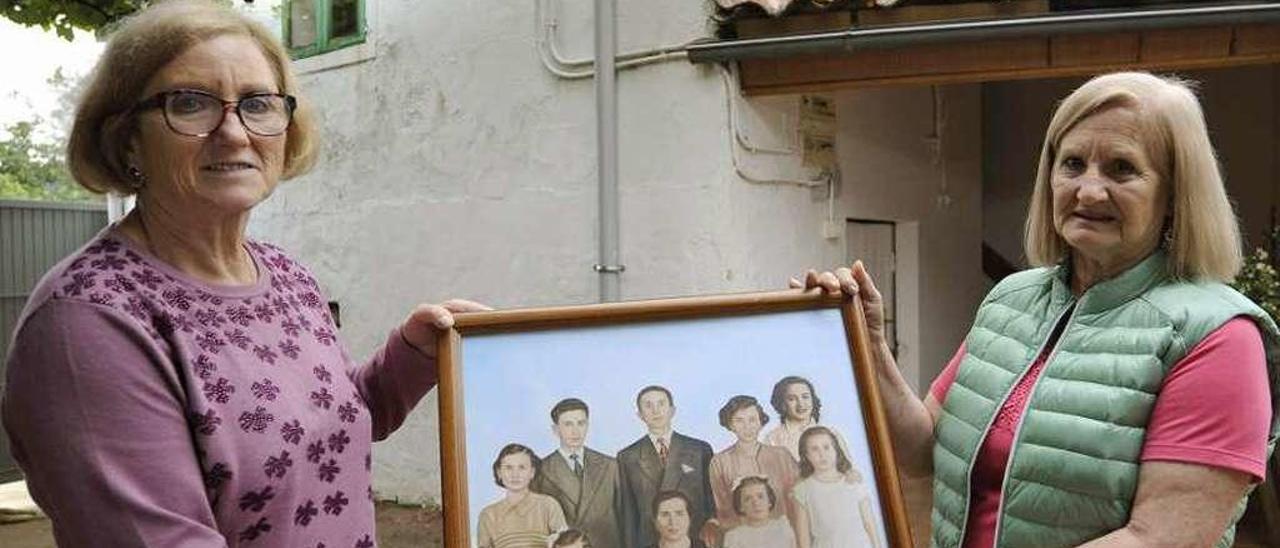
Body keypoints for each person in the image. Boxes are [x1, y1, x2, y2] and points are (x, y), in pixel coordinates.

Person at [0, 1, 487, 546]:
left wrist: (413, 355)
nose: (234, 133)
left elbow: (324, 429)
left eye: (257, 103)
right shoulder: (88, 323)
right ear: (126, 137)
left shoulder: (285, 274)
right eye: (189, 103)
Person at [799, 71, 1280, 547]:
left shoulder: (1218, 337)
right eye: (1072, 164)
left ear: (1175, 194)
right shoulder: (1012, 298)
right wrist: (871, 347)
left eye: (1122, 169)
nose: (1089, 190)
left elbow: (1163, 539)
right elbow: (924, 452)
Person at [617, 385, 714, 548]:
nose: (656, 411)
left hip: (693, 538)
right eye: (648, 405)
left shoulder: (699, 449)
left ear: (672, 410)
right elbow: (628, 511)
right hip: (648, 540)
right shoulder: (628, 456)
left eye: (661, 404)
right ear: (640, 415)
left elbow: (711, 497)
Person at [532, 398, 622, 548]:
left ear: (588, 425)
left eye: (581, 423)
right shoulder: (540, 470)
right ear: (555, 429)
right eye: (568, 424)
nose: (575, 431)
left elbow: (623, 516)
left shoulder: (610, 465)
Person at [708, 395, 798, 533]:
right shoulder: (719, 461)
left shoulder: (781, 455)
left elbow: (797, 498)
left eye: (752, 420)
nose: (747, 427)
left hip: (784, 536)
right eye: (739, 421)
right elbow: (722, 507)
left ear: (761, 422)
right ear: (730, 425)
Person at [790, 427, 881, 548]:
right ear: (806, 455)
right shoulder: (803, 489)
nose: (822, 454)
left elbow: (869, 523)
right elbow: (803, 537)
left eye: (826, 447)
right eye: (814, 449)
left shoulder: (853, 482)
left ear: (836, 450)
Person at [479, 443, 569, 548]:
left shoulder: (548, 505)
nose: (515, 474)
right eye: (508, 468)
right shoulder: (488, 515)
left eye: (522, 467)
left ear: (532, 472)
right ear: (499, 472)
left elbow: (568, 543)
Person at [722, 476, 796, 548]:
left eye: (760, 496)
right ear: (741, 507)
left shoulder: (782, 527)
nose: (756, 503)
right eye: (747, 499)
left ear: (769, 501)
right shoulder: (734, 537)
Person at [763, 376, 822, 460]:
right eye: (792, 399)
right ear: (782, 404)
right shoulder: (773, 439)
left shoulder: (832, 434)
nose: (800, 404)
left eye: (805, 397)